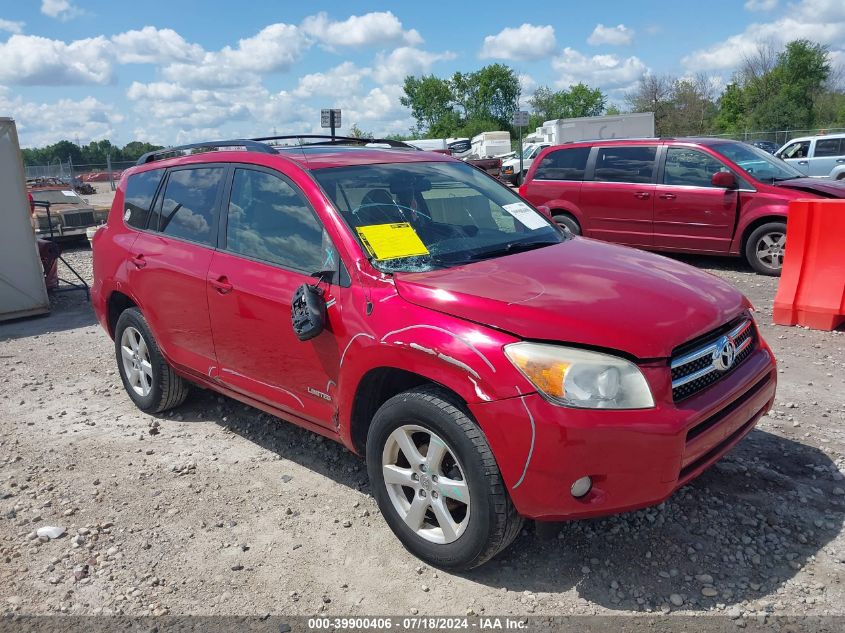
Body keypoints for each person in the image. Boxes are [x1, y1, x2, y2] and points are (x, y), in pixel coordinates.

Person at [29, 192, 60, 291]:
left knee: (50, 248)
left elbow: (30, 214)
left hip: (28, 239)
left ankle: (51, 282)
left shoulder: (25, 195)